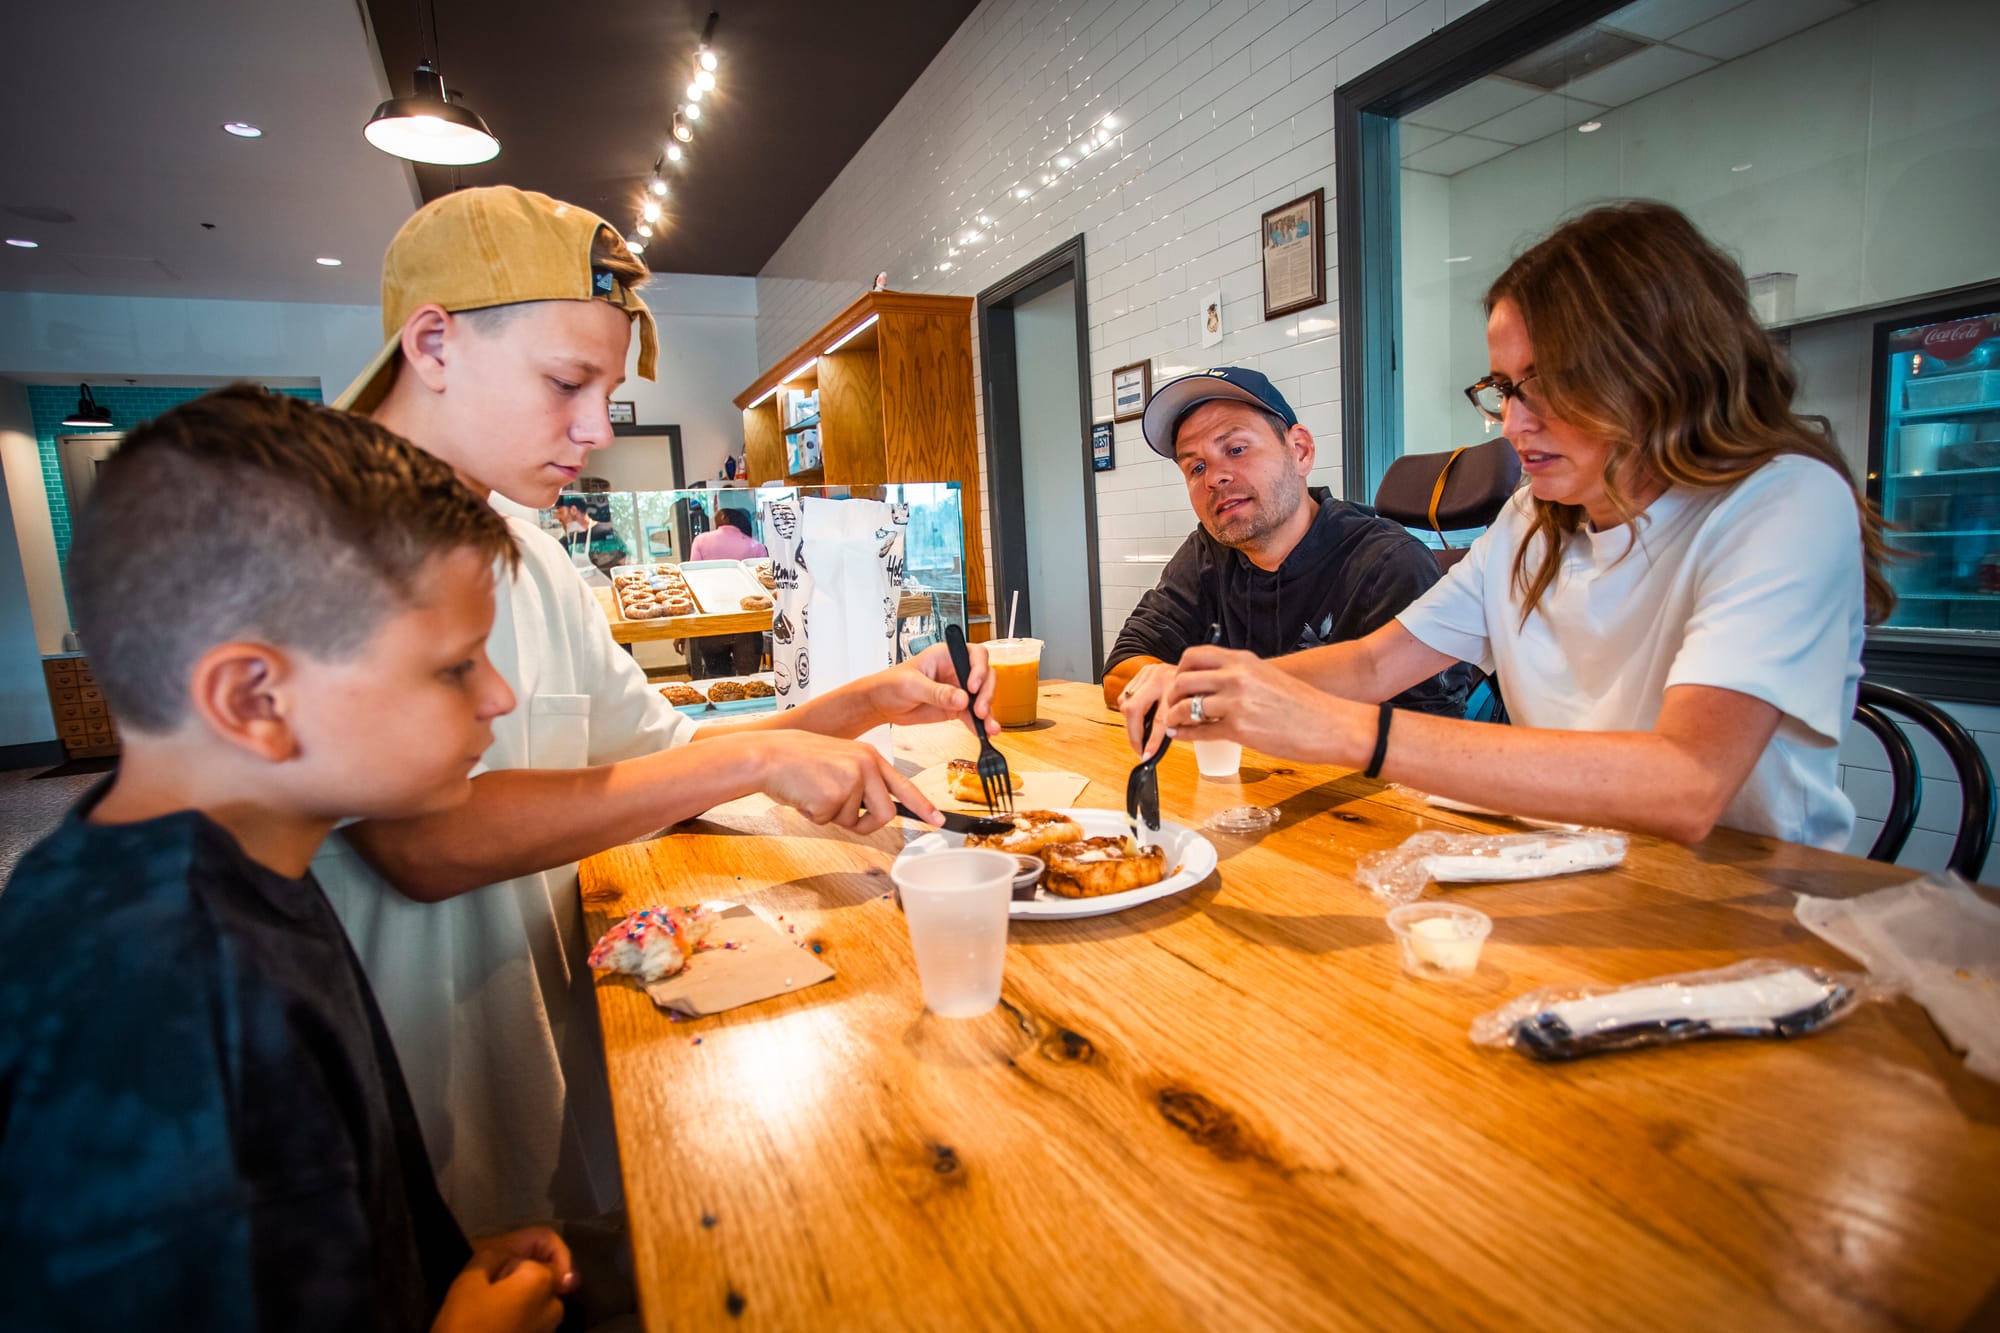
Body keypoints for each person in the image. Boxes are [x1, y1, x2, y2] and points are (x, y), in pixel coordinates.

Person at [318, 185, 996, 1240]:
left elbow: (662, 758)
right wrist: (757, 759)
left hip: (534, 1049)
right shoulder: (328, 539)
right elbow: (422, 841)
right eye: (565, 382)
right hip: (398, 1090)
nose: (597, 425)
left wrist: (857, 703)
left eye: (604, 385)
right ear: (434, 343)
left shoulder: (527, 545)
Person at [0, 386, 572, 1332]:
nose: (500, 696)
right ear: (254, 699)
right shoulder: (165, 1004)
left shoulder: (200, 862)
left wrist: (431, 1266)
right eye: (454, 665)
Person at [1151, 201, 1893, 849]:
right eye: (1505, 390)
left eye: (1548, 386)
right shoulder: (1536, 518)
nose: (1513, 425)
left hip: (1743, 907)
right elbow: (1377, 664)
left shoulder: (1785, 503)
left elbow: (1689, 782)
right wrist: (1213, 690)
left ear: (1660, 368)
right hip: (1574, 864)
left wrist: (1350, 732)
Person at [1104, 366, 1467, 750]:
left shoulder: (1389, 563)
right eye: (1196, 467)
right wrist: (1172, 683)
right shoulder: (1208, 552)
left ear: (1300, 451)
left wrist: (1206, 695)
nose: (1214, 478)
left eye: (1236, 449)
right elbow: (1121, 669)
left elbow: (1433, 739)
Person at [686, 507, 770, 677]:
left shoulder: (701, 541)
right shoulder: (757, 546)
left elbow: (692, 585)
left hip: (712, 623)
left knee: (718, 679)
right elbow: (766, 587)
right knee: (750, 679)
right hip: (747, 625)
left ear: (724, 517)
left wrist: (683, 631)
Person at [555, 492, 628, 580]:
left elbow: (622, 566)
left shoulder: (606, 534)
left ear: (573, 510)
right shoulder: (564, 542)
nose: (558, 517)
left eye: (560, 512)